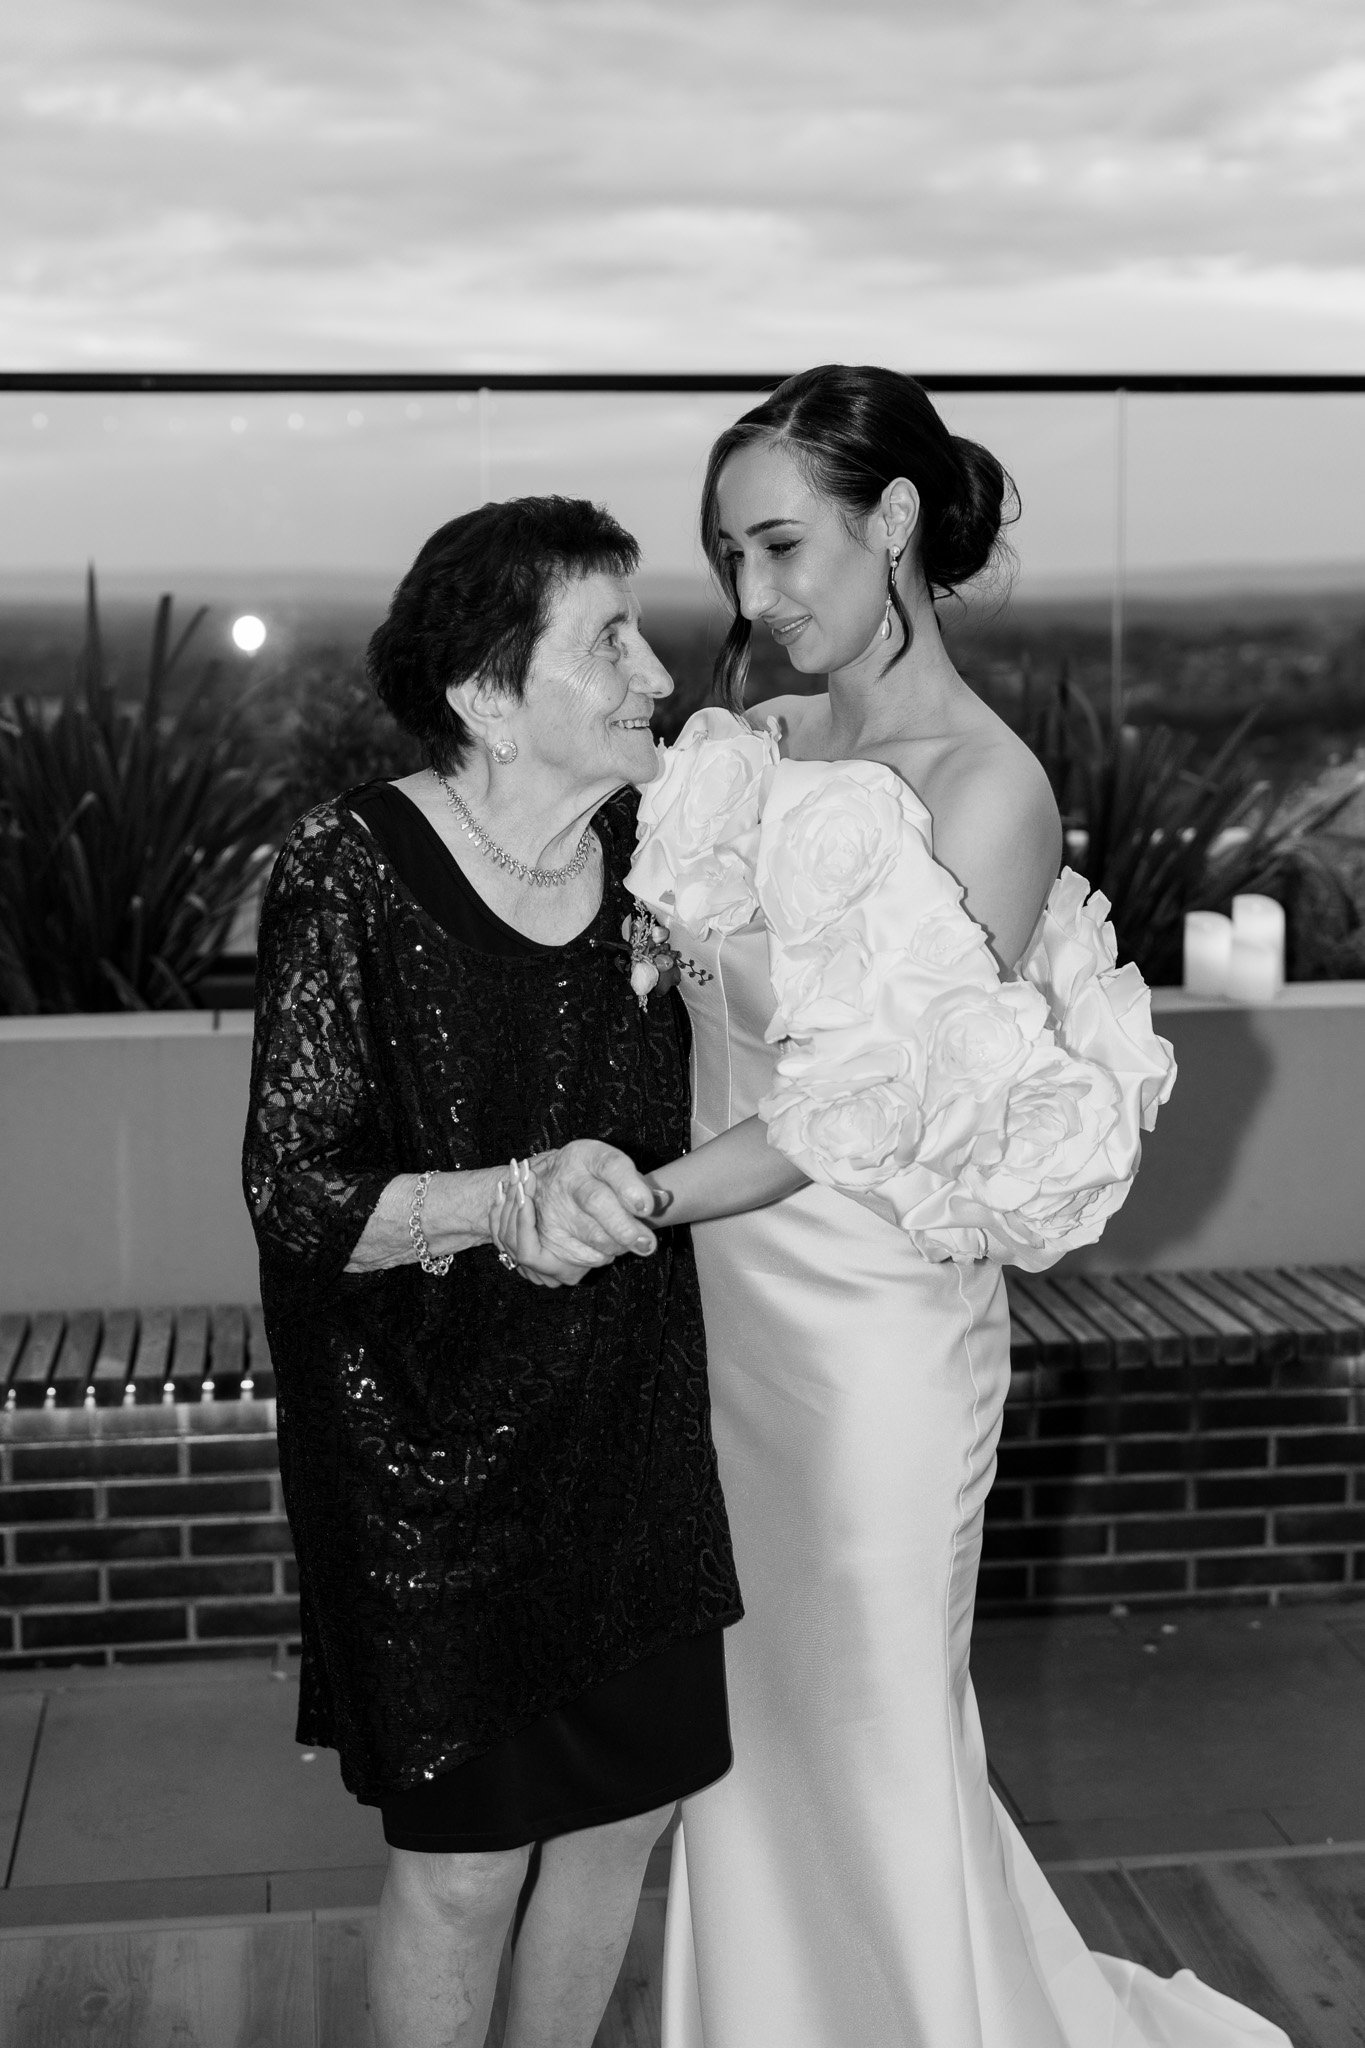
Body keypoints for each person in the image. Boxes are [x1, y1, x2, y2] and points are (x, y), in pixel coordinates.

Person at [495, 368, 1289, 2046]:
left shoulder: (987, 790)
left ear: (896, 523)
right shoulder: (745, 751)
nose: (758, 598)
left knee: (866, 1723)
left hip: (864, 1347)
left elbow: (853, 1115)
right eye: (730, 558)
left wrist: (629, 1197)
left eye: (785, 546)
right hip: (703, 1319)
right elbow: (645, 986)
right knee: (745, 1735)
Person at [242, 495, 742, 2048]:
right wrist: (504, 1197)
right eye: (606, 640)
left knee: (619, 1827)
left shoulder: (666, 866)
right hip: (423, 1455)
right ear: (484, 695)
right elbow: (296, 1190)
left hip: (624, 1426)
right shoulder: (349, 868)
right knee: (463, 1873)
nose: (653, 671)